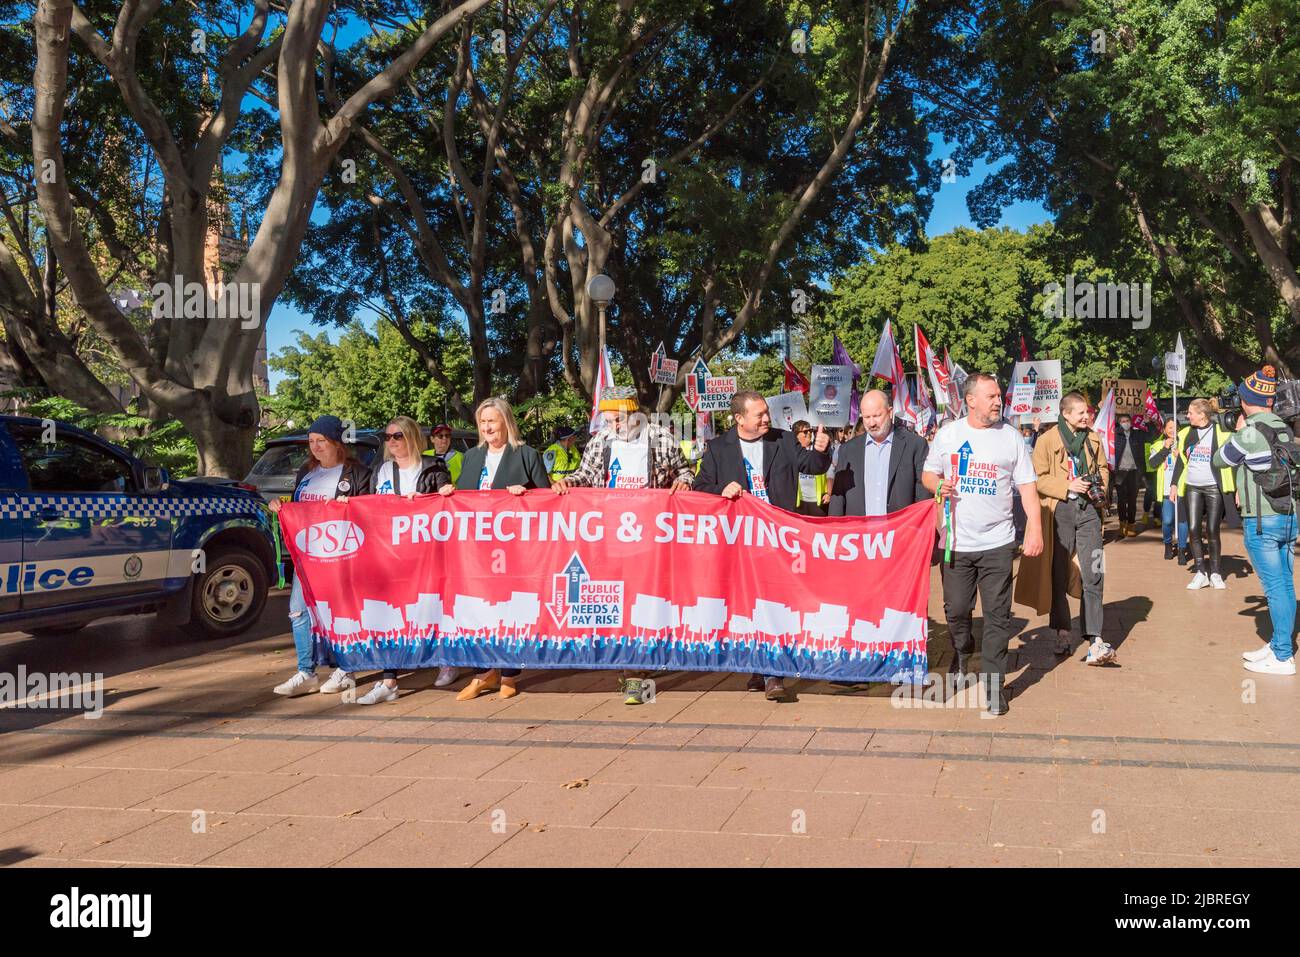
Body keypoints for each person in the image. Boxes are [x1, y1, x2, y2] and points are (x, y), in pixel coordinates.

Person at [554, 386, 693, 703]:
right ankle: (635, 673)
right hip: (611, 536)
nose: (613, 425)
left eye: (618, 419)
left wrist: (683, 481)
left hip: (651, 539)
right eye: (608, 420)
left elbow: (684, 471)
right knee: (624, 605)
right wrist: (566, 483)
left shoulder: (659, 438)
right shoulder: (601, 441)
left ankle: (642, 668)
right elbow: (585, 475)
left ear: (635, 415)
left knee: (645, 604)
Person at [695, 390, 831, 700]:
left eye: (766, 412)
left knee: (775, 604)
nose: (766, 418)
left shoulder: (782, 440)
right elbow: (700, 488)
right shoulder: (718, 449)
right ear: (740, 419)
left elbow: (813, 465)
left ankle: (774, 674)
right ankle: (759, 668)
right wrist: (721, 488)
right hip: (741, 543)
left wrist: (822, 450)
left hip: (779, 540)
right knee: (751, 608)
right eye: (759, 414)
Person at [923, 374, 1044, 717]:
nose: (998, 401)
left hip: (998, 542)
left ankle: (994, 686)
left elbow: (1028, 488)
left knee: (997, 617)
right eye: (991, 395)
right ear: (970, 400)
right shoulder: (948, 435)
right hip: (956, 542)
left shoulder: (1011, 438)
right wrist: (939, 484)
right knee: (957, 611)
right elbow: (928, 474)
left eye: (999, 395)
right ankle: (963, 652)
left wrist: (1034, 528)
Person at [439, 397, 551, 701]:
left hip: (514, 549)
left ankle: (510, 674)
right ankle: (483, 674)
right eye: (483, 422)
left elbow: (547, 498)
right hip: (475, 550)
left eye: (493, 421)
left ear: (506, 422)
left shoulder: (526, 454)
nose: (488, 427)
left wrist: (525, 494)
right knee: (475, 609)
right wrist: (449, 492)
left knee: (509, 609)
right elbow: (463, 496)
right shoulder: (472, 456)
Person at [353, 417, 453, 705]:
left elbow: (447, 502)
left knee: (432, 608)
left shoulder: (433, 468)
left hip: (426, 553)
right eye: (388, 437)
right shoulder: (382, 470)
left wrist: (439, 494)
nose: (392, 442)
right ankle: (389, 679)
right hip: (390, 555)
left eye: (397, 436)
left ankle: (446, 659)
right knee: (390, 615)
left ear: (411, 437)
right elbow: (367, 505)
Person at [271, 415, 370, 698]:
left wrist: (348, 506)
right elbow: (298, 508)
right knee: (298, 610)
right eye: (311, 441)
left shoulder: (357, 473)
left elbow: (370, 510)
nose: (315, 446)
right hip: (307, 557)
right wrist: (280, 506)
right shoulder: (307, 473)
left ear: (336, 442)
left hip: (342, 556)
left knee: (340, 613)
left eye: (321, 441)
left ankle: (345, 669)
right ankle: (306, 671)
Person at [1215, 366, 1297, 675]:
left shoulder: (1250, 432)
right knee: (1285, 584)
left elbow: (1219, 459)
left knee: (1275, 587)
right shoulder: (1284, 427)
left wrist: (1239, 431)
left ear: (1246, 400)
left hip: (1262, 518)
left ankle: (1283, 657)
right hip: (1288, 516)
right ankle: (1278, 645)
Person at [1029, 391, 1114, 664]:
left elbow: (1103, 469)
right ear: (1066, 414)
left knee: (1095, 570)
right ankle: (1063, 631)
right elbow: (1037, 479)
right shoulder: (1046, 440)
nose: (1086, 416)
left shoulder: (1093, 438)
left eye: (1087, 412)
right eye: (1080, 413)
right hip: (1059, 511)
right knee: (1057, 572)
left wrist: (1098, 486)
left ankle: (1095, 638)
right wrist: (1067, 485)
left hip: (1090, 511)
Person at [827, 390, 928, 517]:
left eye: (876, 416)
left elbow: (923, 494)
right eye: (867, 417)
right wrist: (835, 528)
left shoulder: (915, 445)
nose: (872, 423)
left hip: (901, 531)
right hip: (859, 532)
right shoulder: (848, 450)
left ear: (890, 412)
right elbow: (838, 498)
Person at [1179, 398, 1235, 590]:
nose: (1187, 416)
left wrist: (1236, 489)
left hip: (1213, 487)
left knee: (1212, 530)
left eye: (1190, 413)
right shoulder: (1185, 433)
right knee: (1193, 528)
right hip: (1192, 486)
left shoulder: (1221, 432)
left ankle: (1216, 572)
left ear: (1202, 414)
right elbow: (1180, 462)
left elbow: (1232, 462)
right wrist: (1172, 485)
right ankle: (1201, 572)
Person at [1148, 417, 1189, 561]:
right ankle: (1167, 544)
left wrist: (1181, 456)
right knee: (1167, 520)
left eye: (1175, 427)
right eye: (1169, 427)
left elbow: (1190, 464)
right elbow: (1153, 464)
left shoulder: (1184, 443)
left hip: (1182, 489)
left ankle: (1182, 549)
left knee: (1183, 521)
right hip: (1166, 490)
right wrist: (1165, 448)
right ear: (1164, 429)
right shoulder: (1157, 445)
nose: (1172, 430)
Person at [792, 420, 830, 516]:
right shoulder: (790, 452)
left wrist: (829, 493)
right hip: (799, 502)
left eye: (811, 431)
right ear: (796, 435)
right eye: (805, 431)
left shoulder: (820, 449)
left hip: (818, 502)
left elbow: (831, 474)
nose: (809, 433)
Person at [1112, 413, 1141, 537]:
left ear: (1131, 421)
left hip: (1134, 471)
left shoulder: (1136, 434)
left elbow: (1151, 435)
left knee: (1132, 500)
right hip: (1120, 471)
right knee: (1121, 500)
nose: (1125, 422)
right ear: (1119, 422)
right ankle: (1122, 524)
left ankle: (1131, 524)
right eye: (1122, 421)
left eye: (1127, 420)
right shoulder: (1114, 434)